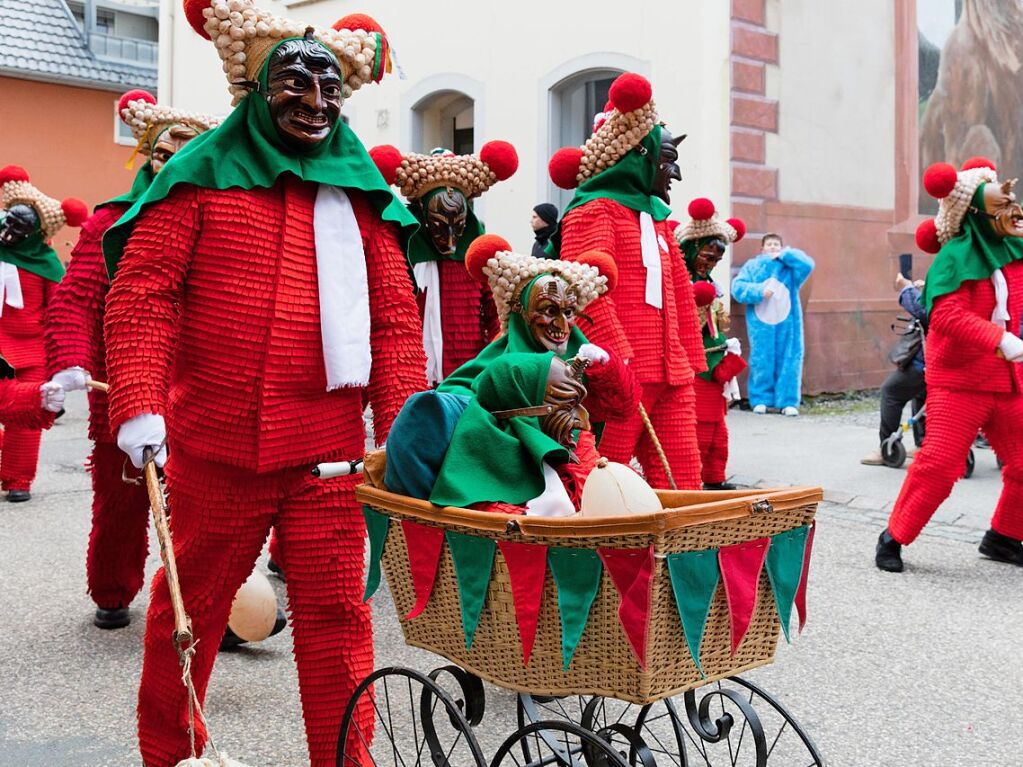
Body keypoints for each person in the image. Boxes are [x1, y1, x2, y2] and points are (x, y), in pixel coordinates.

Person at [102, 2, 425, 764]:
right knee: (189, 616)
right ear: (255, 88)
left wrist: (408, 427)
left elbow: (391, 323)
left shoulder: (362, 195)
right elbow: (145, 292)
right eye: (293, 83)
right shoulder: (201, 175)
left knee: (339, 620)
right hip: (218, 450)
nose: (314, 101)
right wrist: (139, 401)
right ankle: (172, 755)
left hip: (330, 456)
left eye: (328, 87)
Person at [45, 89, 219, 630]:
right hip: (123, 384)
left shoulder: (219, 217)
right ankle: (114, 590)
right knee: (121, 502)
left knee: (203, 512)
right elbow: (75, 299)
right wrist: (73, 359)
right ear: (149, 157)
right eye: (166, 154)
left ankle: (210, 608)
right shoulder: (111, 222)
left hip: (198, 389)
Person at [384, 234, 640, 503]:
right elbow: (451, 419)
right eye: (549, 311)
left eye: (568, 312)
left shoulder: (581, 357)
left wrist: (605, 366)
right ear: (521, 313)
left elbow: (623, 407)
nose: (562, 326)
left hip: (584, 477)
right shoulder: (494, 369)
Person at [548, 72, 706, 490]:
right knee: (604, 486)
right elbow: (586, 293)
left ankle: (676, 558)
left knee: (683, 483)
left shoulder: (658, 220)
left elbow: (679, 296)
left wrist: (689, 358)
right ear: (639, 155)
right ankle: (598, 558)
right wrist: (615, 362)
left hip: (672, 375)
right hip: (621, 379)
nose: (674, 173)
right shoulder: (594, 212)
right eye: (667, 159)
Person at [876, 158, 1023, 572]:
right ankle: (893, 537)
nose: (1013, 210)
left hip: (1008, 380)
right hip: (960, 382)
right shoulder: (953, 259)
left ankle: (1004, 537)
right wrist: (1000, 338)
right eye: (1001, 205)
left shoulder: (1015, 253)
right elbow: (946, 317)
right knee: (940, 465)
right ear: (975, 212)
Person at [369, 142, 517, 384]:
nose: (450, 239)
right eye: (439, 225)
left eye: (458, 225)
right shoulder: (398, 251)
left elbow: (498, 315)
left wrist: (495, 357)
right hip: (407, 369)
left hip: (466, 372)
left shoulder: (479, 258)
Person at [0, 166, 87, 501]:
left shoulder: (47, 264)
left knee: (26, 420)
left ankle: (18, 479)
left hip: (31, 351)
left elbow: (60, 313)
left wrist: (64, 358)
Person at [676, 198, 748, 489]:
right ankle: (692, 481)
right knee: (700, 428)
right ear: (692, 249)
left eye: (716, 260)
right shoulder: (679, 281)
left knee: (719, 430)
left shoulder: (710, 283)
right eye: (706, 256)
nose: (710, 264)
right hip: (696, 366)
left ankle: (714, 478)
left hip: (715, 361)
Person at [731, 232, 815, 416]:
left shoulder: (789, 267)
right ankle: (761, 399)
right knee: (762, 360)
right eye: (769, 244)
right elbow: (737, 287)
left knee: (790, 359)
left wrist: (787, 254)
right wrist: (759, 290)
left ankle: (788, 401)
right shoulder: (753, 266)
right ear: (762, 248)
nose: (773, 247)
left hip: (789, 323)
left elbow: (808, 265)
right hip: (761, 325)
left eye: (777, 244)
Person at [861, 273, 927, 466]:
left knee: (892, 391)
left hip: (931, 358)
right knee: (922, 392)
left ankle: (887, 447)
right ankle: (925, 443)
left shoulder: (955, 258)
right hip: (949, 358)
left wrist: (907, 288)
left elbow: (925, 310)